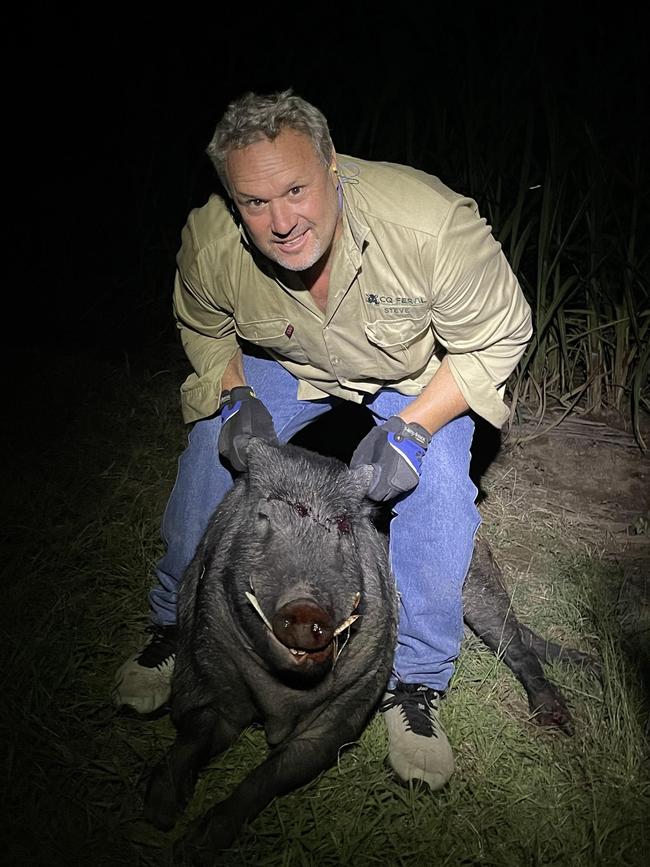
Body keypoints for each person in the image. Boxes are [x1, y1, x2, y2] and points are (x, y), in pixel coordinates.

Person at [113, 89, 532, 790]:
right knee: (213, 450)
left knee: (442, 488)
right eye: (254, 202)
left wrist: (415, 427)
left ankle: (415, 682)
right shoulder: (213, 240)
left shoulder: (429, 225)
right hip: (289, 363)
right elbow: (207, 324)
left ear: (332, 166)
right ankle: (173, 628)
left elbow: (500, 336)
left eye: (296, 190)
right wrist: (235, 391)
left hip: (410, 371)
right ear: (232, 198)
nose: (281, 222)